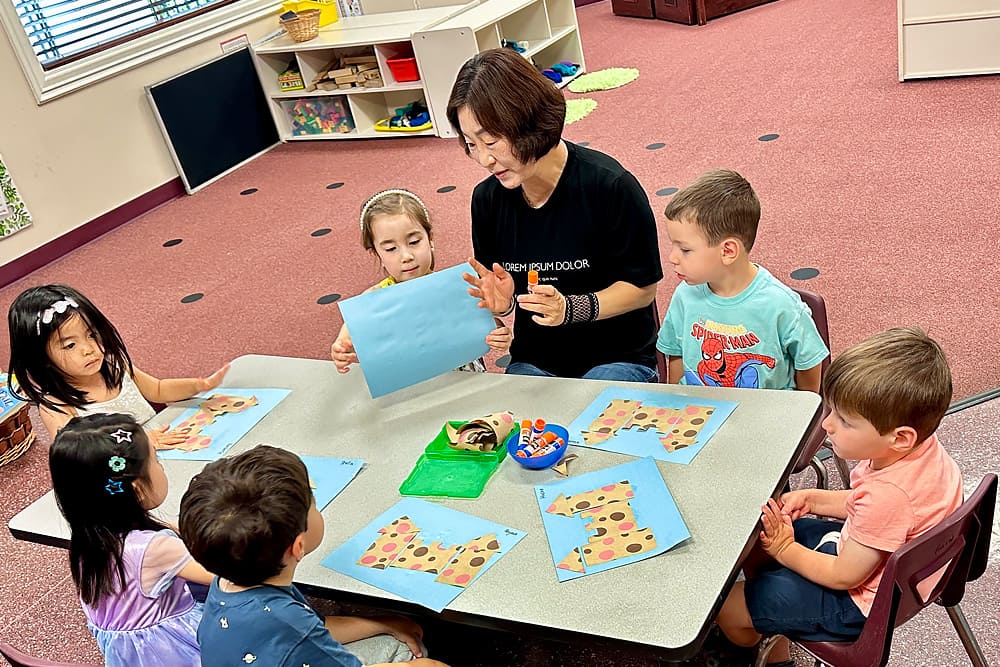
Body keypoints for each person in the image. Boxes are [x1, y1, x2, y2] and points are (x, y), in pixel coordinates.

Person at [714, 327, 963, 667]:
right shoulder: (919, 450)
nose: (827, 425)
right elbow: (866, 507)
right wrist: (814, 499)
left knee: (727, 609)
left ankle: (761, 645)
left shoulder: (889, 496)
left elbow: (844, 575)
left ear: (900, 437)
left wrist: (786, 550)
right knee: (763, 534)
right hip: (884, 569)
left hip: (856, 604)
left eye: (844, 420)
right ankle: (769, 608)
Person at [446, 48, 663, 382]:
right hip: (536, 360)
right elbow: (502, 292)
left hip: (620, 356)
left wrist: (569, 309)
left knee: (593, 413)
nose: (484, 160)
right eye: (472, 145)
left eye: (491, 141)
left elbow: (643, 289)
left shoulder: (610, 186)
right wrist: (503, 306)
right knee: (511, 416)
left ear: (529, 123)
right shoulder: (487, 200)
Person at [179, 445, 450, 667]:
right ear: (298, 546)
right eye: (313, 502)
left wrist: (381, 623)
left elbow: (310, 629)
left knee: (390, 636)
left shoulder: (229, 577)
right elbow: (302, 633)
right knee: (408, 652)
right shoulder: (285, 620)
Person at [49, 413, 213, 666]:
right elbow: (228, 574)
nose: (160, 467)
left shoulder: (90, 539)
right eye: (156, 460)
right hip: (177, 652)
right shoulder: (154, 548)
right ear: (137, 489)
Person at [656, 169, 828, 390]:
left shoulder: (780, 305)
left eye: (685, 250)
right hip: (701, 407)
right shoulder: (684, 295)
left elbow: (809, 363)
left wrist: (802, 408)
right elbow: (676, 353)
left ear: (728, 251)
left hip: (765, 409)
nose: (672, 258)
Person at [6, 284, 229, 444]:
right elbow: (80, 452)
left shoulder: (115, 366)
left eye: (92, 335)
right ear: (41, 359)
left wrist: (198, 385)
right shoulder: (57, 406)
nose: (89, 349)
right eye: (70, 345)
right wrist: (140, 442)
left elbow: (159, 389)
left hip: (164, 451)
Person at [330, 188, 510, 374]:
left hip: (463, 379)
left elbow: (483, 325)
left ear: (430, 239)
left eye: (414, 242)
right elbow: (348, 335)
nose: (406, 256)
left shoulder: (455, 288)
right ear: (377, 254)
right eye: (391, 249)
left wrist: (498, 333)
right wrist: (341, 348)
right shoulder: (373, 300)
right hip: (409, 383)